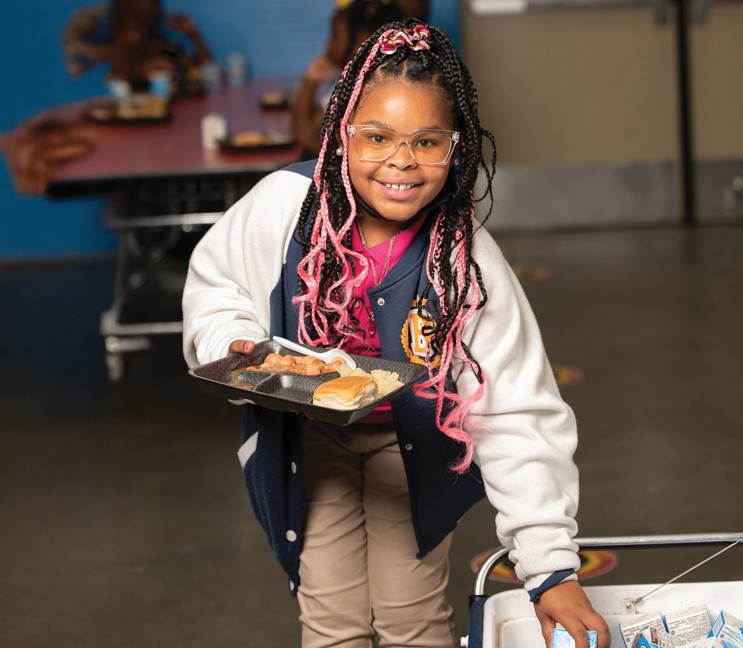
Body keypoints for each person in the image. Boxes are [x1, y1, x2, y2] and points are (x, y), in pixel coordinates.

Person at [182, 19, 610, 648]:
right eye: (376, 136)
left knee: (414, 624)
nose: (401, 161)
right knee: (334, 625)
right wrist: (234, 342)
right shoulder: (281, 206)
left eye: (428, 142)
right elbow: (217, 287)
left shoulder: (464, 259)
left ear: (456, 146)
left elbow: (516, 407)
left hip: (414, 448)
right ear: (340, 134)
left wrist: (548, 567)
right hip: (312, 441)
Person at [294, 0, 404, 158]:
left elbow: (306, 134)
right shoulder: (347, 77)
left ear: (360, 39)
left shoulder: (362, 84)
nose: (329, 43)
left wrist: (310, 81)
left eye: (335, 34)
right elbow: (313, 124)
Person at [62, 0, 212, 92]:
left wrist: (194, 35)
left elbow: (209, 76)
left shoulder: (161, 42)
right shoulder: (96, 47)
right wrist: (139, 71)